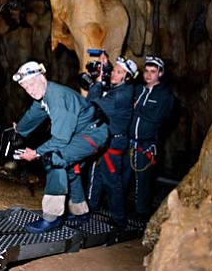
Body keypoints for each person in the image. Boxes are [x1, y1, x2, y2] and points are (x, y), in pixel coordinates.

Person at [12, 61, 109, 233]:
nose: (30, 90)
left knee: (54, 159)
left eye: (32, 84)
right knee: (70, 168)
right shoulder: (44, 95)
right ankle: (80, 212)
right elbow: (34, 114)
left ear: (42, 78)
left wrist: (36, 152)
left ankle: (52, 217)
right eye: (26, 87)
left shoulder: (56, 97)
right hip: (82, 133)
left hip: (92, 134)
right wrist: (19, 129)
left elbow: (59, 141)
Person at [86, 54, 138, 228]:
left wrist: (98, 83)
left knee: (111, 182)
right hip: (109, 140)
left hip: (113, 144)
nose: (113, 75)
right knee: (100, 177)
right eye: (114, 71)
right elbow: (113, 77)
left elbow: (91, 105)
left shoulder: (120, 96)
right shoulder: (122, 88)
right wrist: (106, 66)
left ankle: (119, 219)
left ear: (128, 77)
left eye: (118, 72)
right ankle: (91, 207)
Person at [123, 55, 174, 220]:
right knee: (123, 178)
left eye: (153, 71)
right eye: (146, 71)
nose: (148, 75)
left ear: (160, 73)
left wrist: (137, 109)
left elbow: (158, 117)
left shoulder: (165, 95)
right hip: (129, 142)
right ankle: (119, 210)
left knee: (144, 181)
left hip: (146, 145)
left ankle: (141, 214)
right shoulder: (138, 90)